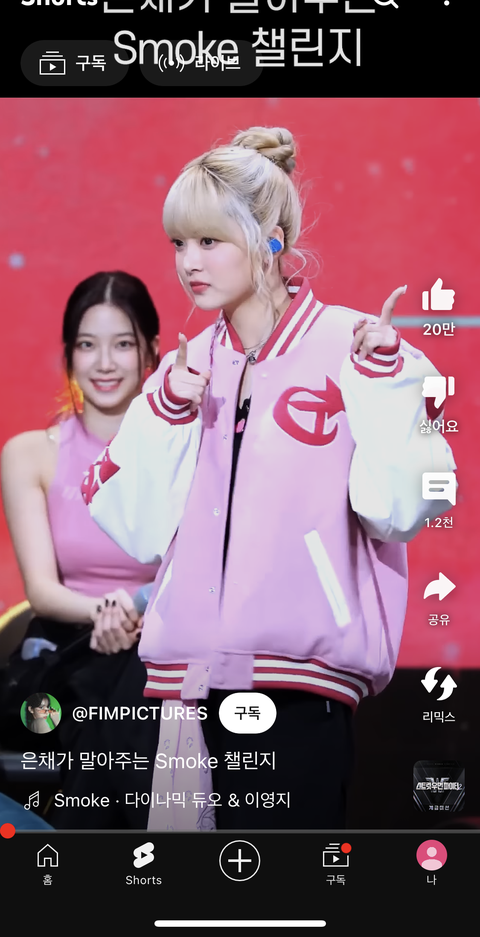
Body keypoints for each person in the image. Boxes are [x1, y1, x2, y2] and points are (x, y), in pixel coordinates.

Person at [83, 127, 457, 831]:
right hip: (186, 685)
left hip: (302, 682)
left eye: (209, 240)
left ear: (272, 240)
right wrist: (168, 411)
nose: (188, 263)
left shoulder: (354, 345)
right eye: (178, 243)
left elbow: (404, 508)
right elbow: (134, 525)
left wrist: (382, 383)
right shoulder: (185, 367)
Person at [0, 271, 161, 827]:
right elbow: (42, 590)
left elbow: (200, 571)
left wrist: (135, 613)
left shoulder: (186, 454)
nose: (105, 363)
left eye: (123, 345)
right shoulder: (30, 454)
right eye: (88, 345)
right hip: (66, 645)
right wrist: (107, 611)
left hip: (160, 643)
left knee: (137, 690)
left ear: (152, 352)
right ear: (69, 355)